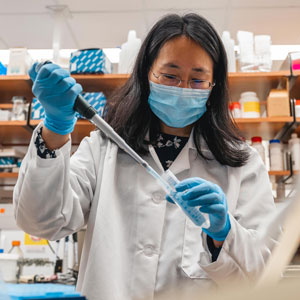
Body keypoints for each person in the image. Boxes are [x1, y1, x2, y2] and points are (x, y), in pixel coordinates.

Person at [14, 13, 276, 300]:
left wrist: (223, 232)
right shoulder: (104, 148)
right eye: (170, 75)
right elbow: (42, 222)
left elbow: (263, 274)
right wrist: (55, 127)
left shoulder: (243, 164)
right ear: (147, 74)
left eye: (198, 80)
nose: (182, 88)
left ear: (214, 87)